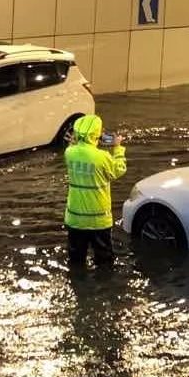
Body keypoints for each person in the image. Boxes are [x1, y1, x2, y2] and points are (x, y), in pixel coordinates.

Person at [64, 114, 127, 268]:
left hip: (75, 219)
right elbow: (119, 170)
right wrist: (118, 147)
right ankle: (104, 289)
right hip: (98, 221)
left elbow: (76, 149)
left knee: (76, 260)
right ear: (96, 134)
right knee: (104, 261)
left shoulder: (69, 153)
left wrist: (76, 141)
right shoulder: (102, 156)